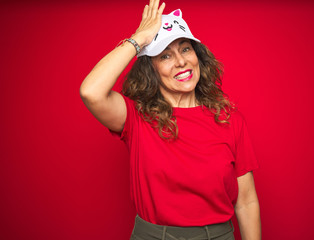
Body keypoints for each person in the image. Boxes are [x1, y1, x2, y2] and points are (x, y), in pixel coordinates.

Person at [80, 0, 261, 239]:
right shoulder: (136, 117)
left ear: (198, 56)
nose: (181, 61)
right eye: (165, 55)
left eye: (185, 49)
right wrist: (139, 38)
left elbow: (246, 202)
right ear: (151, 70)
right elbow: (91, 92)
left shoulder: (230, 120)